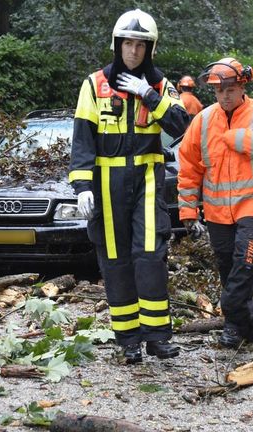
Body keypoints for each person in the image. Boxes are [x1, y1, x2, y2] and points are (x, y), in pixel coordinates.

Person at [68, 9, 190, 363]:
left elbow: (180, 125)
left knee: (150, 256)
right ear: (117, 44)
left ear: (150, 49)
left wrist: (149, 96)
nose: (133, 52)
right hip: (107, 183)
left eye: (140, 45)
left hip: (148, 180)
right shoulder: (94, 85)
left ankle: (158, 337)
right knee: (115, 261)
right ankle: (128, 341)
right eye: (127, 44)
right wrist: (82, 187)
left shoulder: (160, 85)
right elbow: (82, 141)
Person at [177, 57, 253, 348]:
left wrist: (240, 139)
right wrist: (188, 209)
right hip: (216, 212)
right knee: (228, 268)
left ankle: (230, 313)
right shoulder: (202, 121)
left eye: (230, 89)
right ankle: (245, 323)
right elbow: (189, 167)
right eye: (219, 91)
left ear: (242, 86)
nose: (224, 96)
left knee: (246, 263)